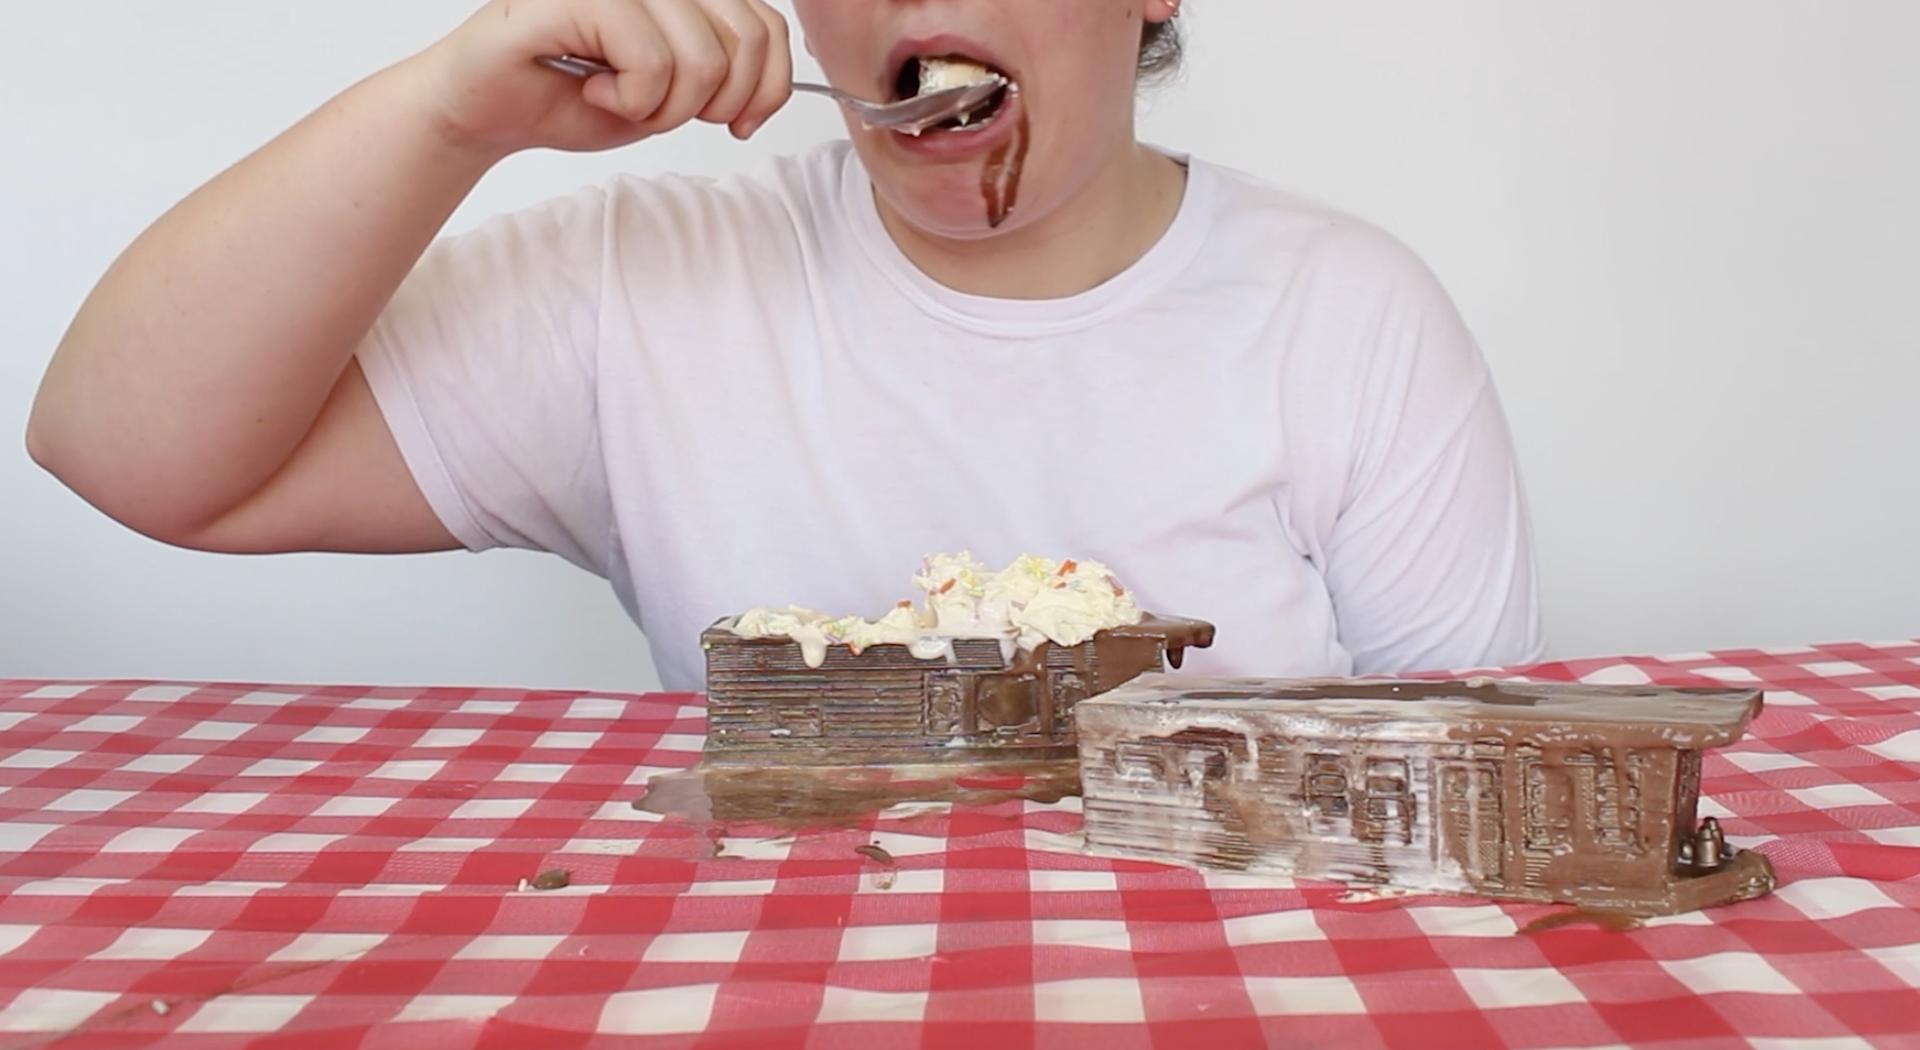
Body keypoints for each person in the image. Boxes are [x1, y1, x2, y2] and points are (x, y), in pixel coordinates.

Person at [27, 0, 1545, 691]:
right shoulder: (647, 282)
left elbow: (1473, 783)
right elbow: (124, 453)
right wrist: (450, 114)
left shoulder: (1349, 319)